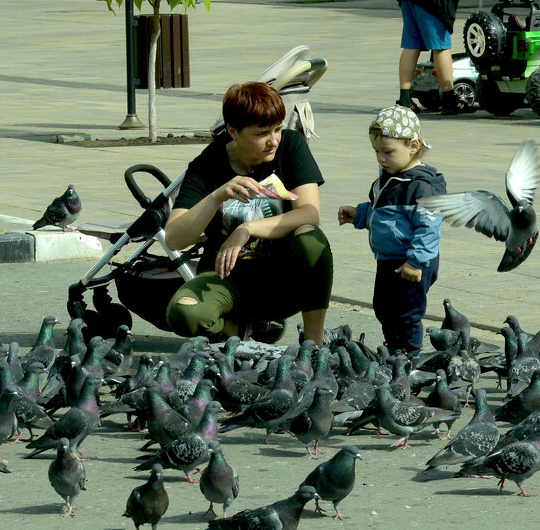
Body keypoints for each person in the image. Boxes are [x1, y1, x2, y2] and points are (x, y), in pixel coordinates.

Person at [163, 81, 334, 346]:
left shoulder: (290, 146)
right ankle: (233, 328)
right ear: (233, 131)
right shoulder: (207, 164)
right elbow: (174, 239)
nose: (273, 140)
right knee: (184, 313)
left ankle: (314, 344)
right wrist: (216, 195)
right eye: (262, 133)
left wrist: (246, 229)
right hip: (227, 279)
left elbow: (310, 213)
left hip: (283, 280)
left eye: (277, 128)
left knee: (312, 240)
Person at [337, 106, 445, 356]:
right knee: (383, 307)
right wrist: (359, 214)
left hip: (413, 262)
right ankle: (394, 347)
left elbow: (429, 228)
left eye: (387, 152)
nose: (381, 158)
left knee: (406, 311)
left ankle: (408, 354)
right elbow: (383, 213)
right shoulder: (390, 177)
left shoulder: (421, 186)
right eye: (376, 151)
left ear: (413, 145)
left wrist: (416, 262)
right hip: (388, 258)